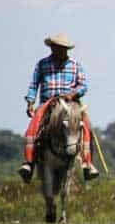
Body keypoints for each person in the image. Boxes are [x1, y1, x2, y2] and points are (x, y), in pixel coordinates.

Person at [19, 33, 98, 183]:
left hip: (71, 103)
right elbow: (34, 85)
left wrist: (73, 94)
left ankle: (87, 164)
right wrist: (30, 102)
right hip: (48, 102)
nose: (59, 50)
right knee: (32, 128)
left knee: (86, 127)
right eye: (57, 47)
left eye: (63, 48)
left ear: (67, 49)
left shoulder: (75, 65)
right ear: (52, 48)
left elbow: (83, 86)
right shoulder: (42, 64)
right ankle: (28, 163)